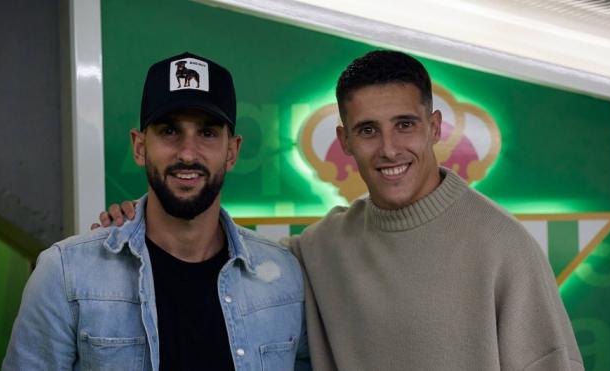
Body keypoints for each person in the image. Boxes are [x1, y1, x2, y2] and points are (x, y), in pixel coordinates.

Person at [100, 50, 584, 370]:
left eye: (405, 125)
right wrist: (138, 221)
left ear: (435, 128)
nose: (389, 149)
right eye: (369, 130)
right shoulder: (321, 248)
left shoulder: (503, 247)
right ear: (345, 140)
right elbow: (214, 250)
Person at [3, 52, 305, 371]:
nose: (188, 153)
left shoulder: (284, 277)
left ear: (232, 152)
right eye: (169, 131)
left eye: (207, 133)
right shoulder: (65, 273)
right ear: (139, 146)